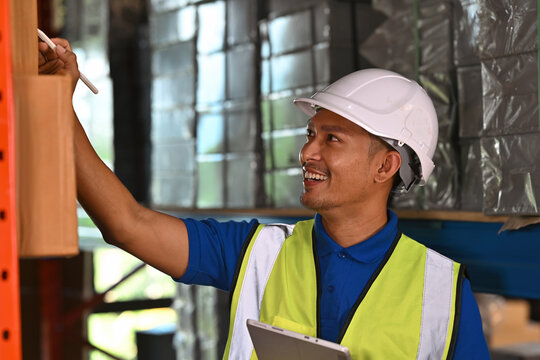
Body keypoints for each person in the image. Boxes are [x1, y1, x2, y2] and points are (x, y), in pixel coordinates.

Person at [39, 38, 490, 359]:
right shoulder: (256, 252)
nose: (307, 151)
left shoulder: (443, 291)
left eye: (332, 139)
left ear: (385, 166)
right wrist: (59, 102)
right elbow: (126, 225)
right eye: (311, 133)